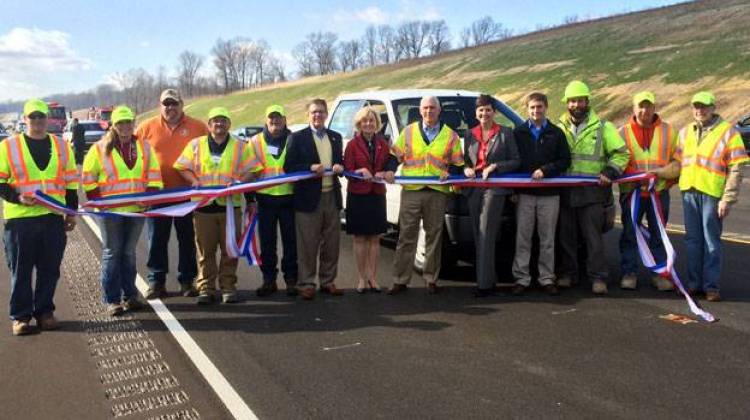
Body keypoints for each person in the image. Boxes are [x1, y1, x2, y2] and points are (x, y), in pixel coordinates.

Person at [0, 99, 78, 335]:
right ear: (25, 120)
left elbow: (71, 182)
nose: (37, 121)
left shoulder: (62, 146)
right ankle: (21, 317)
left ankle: (45, 312)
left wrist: (71, 213)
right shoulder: (8, 147)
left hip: (52, 217)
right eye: (32, 117)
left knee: (50, 269)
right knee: (21, 270)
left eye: (41, 116)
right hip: (20, 219)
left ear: (48, 118)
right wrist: (17, 198)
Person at [82, 106, 163, 316]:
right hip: (110, 213)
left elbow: (154, 174)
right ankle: (112, 299)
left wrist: (149, 198)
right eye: (120, 123)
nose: (125, 127)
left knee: (128, 253)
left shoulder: (144, 147)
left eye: (128, 122)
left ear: (133, 123)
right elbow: (88, 179)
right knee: (112, 253)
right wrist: (99, 203)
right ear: (113, 125)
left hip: (136, 210)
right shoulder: (99, 149)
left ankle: (130, 295)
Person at [174, 107, 259, 304]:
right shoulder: (196, 144)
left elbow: (254, 170)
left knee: (230, 249)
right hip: (204, 208)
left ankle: (228, 287)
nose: (219, 124)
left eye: (223, 120)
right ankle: (206, 288)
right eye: (215, 121)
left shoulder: (240, 146)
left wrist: (240, 181)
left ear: (229, 124)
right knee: (206, 251)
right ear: (209, 124)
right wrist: (194, 181)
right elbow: (181, 166)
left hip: (230, 208)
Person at [675, 91, 749, 302]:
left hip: (711, 195)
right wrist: (656, 176)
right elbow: (677, 163)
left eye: (704, 106)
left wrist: (728, 198)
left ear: (713, 107)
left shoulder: (728, 133)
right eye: (696, 106)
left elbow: (737, 168)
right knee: (692, 241)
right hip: (689, 193)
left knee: (711, 242)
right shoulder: (685, 132)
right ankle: (694, 284)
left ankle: (711, 287)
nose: (700, 110)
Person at [556, 81, 629, 294]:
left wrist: (610, 172)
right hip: (565, 193)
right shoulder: (558, 128)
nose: (576, 104)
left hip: (593, 194)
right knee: (566, 238)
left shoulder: (603, 127)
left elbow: (621, 153)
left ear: (587, 101)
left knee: (593, 239)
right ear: (566, 104)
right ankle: (569, 274)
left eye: (580, 100)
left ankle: (598, 278)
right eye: (572, 101)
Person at [136, 89, 208, 299]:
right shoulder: (146, 128)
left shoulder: (198, 127)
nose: (170, 108)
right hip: (157, 196)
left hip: (187, 194)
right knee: (157, 240)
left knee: (186, 239)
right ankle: (156, 282)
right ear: (160, 105)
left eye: (174, 104)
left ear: (182, 104)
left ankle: (187, 280)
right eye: (166, 104)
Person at [389, 96, 464, 295]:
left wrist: (452, 173)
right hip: (412, 191)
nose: (428, 111)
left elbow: (459, 165)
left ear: (439, 110)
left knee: (434, 236)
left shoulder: (451, 136)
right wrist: (387, 170)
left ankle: (431, 279)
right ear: (420, 111)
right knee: (406, 236)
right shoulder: (409, 131)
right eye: (425, 108)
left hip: (437, 193)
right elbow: (393, 155)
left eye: (432, 108)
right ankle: (400, 280)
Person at [283, 99, 345, 300]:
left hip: (331, 196)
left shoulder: (335, 137)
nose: (317, 115)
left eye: (321, 112)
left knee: (332, 243)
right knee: (307, 244)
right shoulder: (297, 138)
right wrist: (309, 167)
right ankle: (306, 283)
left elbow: (340, 162)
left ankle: (328, 281)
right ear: (308, 115)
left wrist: (339, 167)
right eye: (313, 112)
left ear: (326, 114)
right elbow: (289, 167)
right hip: (308, 199)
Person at [617, 91, 680, 291]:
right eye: (640, 106)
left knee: (659, 234)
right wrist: (634, 176)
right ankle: (629, 272)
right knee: (628, 233)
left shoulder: (669, 132)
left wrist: (660, 173)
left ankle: (660, 274)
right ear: (634, 109)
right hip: (631, 193)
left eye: (648, 106)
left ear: (654, 107)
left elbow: (678, 163)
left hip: (658, 194)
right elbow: (616, 160)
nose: (645, 110)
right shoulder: (622, 133)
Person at [511, 92, 571, 296]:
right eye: (532, 108)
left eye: (539, 107)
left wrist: (546, 170)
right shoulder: (518, 133)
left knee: (547, 239)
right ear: (526, 110)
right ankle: (522, 278)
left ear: (546, 108)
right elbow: (513, 161)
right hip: (525, 195)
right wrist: (513, 191)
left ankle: (546, 278)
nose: (536, 111)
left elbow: (565, 160)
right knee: (523, 238)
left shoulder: (556, 133)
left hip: (550, 195)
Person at [462, 94, 520, 297]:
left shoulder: (505, 133)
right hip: (473, 188)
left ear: (494, 112)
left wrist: (496, 166)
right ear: (475, 113)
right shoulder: (470, 134)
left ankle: (483, 285)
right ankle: (488, 278)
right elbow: (465, 162)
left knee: (486, 231)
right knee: (478, 235)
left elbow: (516, 160)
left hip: (495, 188)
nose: (484, 113)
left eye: (488, 109)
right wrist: (466, 169)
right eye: (480, 110)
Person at [343, 106, 398, 293]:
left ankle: (373, 278)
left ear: (376, 124)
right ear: (359, 124)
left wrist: (389, 170)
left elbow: (393, 159)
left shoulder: (383, 142)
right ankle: (361, 278)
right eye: (365, 121)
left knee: (375, 239)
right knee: (360, 238)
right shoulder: (351, 145)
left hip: (377, 194)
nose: (368, 124)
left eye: (372, 121)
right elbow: (347, 171)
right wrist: (359, 171)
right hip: (358, 196)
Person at [248, 105, 298, 297]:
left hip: (289, 199)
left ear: (285, 120)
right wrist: (250, 199)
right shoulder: (254, 142)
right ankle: (268, 280)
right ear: (266, 120)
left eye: (279, 118)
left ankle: (291, 280)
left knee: (291, 243)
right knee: (267, 244)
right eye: (272, 118)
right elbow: (248, 174)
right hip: (265, 200)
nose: (275, 121)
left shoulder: (294, 139)